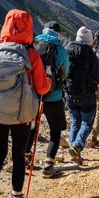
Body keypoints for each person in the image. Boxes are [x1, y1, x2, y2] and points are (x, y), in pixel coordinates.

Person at [0, 9, 51, 198]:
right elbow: (42, 88)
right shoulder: (31, 54)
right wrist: (49, 82)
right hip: (21, 116)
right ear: (28, 28)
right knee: (18, 156)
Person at [25, 21, 70, 178]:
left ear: (44, 30)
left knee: (32, 127)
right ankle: (48, 164)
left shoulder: (34, 46)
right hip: (54, 97)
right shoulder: (60, 49)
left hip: (34, 96)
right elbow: (66, 71)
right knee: (55, 131)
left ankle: (25, 157)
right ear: (58, 33)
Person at [64, 26, 99, 165]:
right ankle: (77, 146)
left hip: (69, 92)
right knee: (86, 122)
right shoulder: (91, 54)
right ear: (89, 40)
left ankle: (73, 149)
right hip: (87, 94)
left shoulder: (67, 49)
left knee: (75, 121)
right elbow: (98, 76)